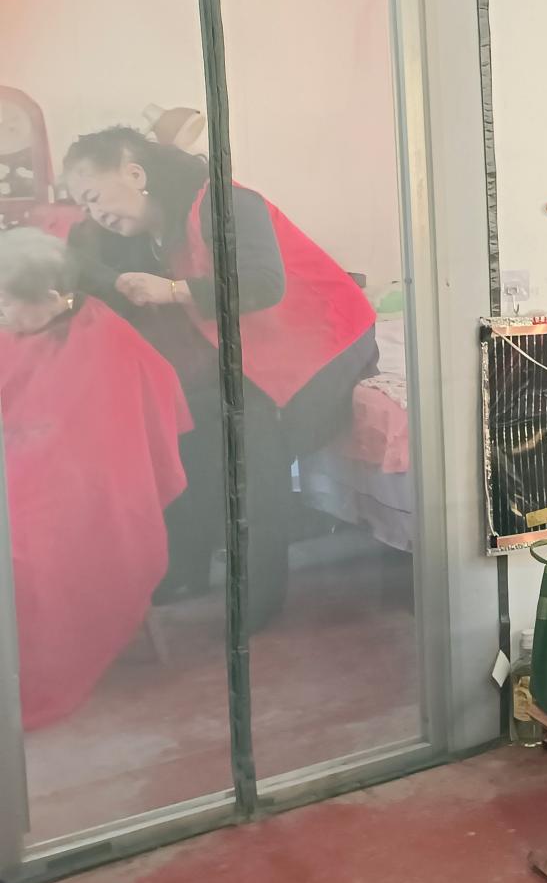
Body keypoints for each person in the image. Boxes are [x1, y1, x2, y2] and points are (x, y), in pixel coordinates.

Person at [61, 128, 376, 625]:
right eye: (83, 205)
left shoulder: (224, 203)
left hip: (328, 339)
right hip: (261, 349)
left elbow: (264, 283)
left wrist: (172, 290)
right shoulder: (152, 235)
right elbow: (84, 265)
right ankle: (189, 565)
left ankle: (259, 598)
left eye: (94, 196)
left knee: (252, 444)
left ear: (135, 174)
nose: (93, 213)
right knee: (190, 423)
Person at [0, 228, 190, 729]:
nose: (1, 314)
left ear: (50, 298)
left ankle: (29, 676)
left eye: (6, 304)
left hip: (79, 486)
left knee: (20, 555)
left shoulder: (109, 342)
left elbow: (116, 444)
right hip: (21, 462)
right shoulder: (19, 324)